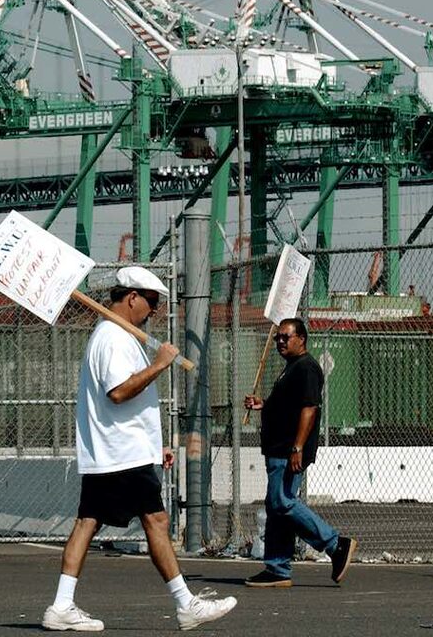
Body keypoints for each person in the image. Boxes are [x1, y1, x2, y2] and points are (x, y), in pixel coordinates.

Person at [42, 266, 236, 632]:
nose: (154, 310)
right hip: (121, 453)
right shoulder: (113, 337)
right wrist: (161, 364)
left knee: (87, 522)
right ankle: (186, 603)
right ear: (132, 297)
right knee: (157, 521)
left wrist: (153, 445)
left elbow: (126, 400)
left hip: (118, 451)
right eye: (151, 302)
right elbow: (118, 392)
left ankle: (61, 605)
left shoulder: (115, 335)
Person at [242, 317, 356, 587]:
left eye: (286, 337)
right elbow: (288, 406)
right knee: (276, 507)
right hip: (278, 448)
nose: (280, 341)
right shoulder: (291, 368)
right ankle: (277, 568)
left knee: (282, 502)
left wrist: (297, 447)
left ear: (301, 339)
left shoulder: (306, 368)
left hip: (288, 450)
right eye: (278, 338)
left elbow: (309, 408)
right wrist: (264, 404)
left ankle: (335, 543)